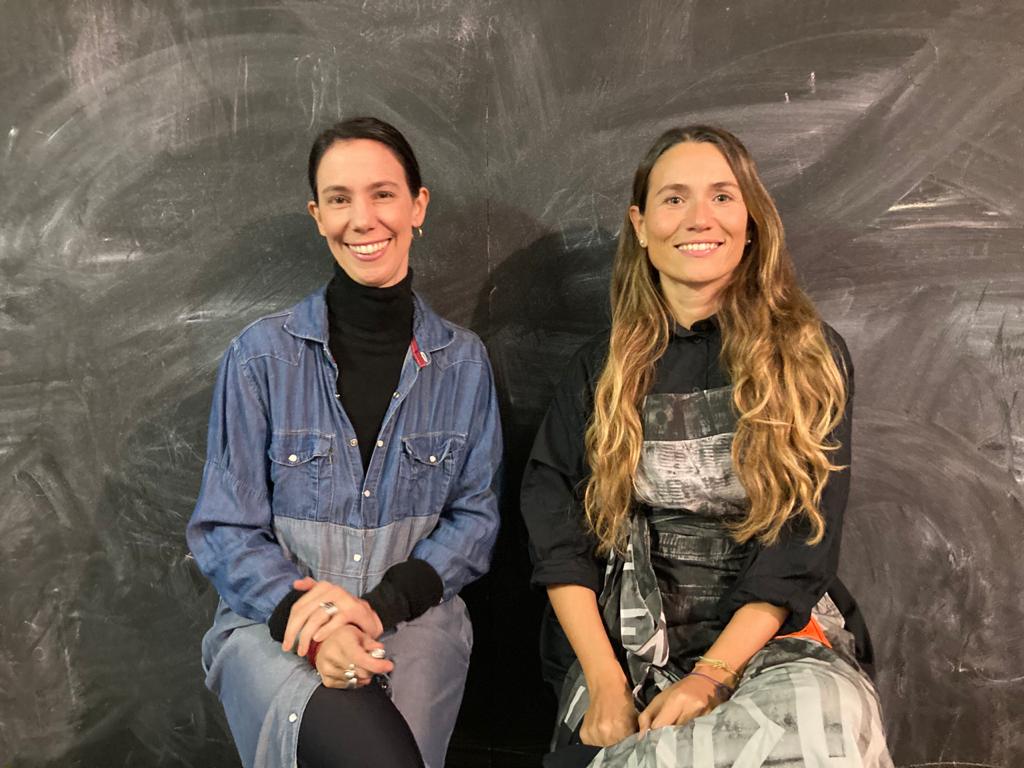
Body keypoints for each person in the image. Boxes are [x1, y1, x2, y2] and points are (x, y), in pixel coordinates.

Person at [521, 125, 893, 767]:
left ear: (750, 223)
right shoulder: (598, 370)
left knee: (818, 730)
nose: (700, 218)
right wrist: (604, 682)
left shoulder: (809, 358)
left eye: (722, 196)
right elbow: (558, 538)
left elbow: (800, 545)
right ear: (641, 226)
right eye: (674, 198)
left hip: (774, 642)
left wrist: (712, 676)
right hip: (626, 645)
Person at [186, 116, 502, 768]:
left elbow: (475, 520)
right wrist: (315, 629)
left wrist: (376, 610)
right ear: (317, 215)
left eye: (383, 194)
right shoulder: (260, 357)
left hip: (413, 627)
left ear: (417, 205)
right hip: (276, 626)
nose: (362, 219)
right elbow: (224, 529)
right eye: (339, 199)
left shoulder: (463, 363)